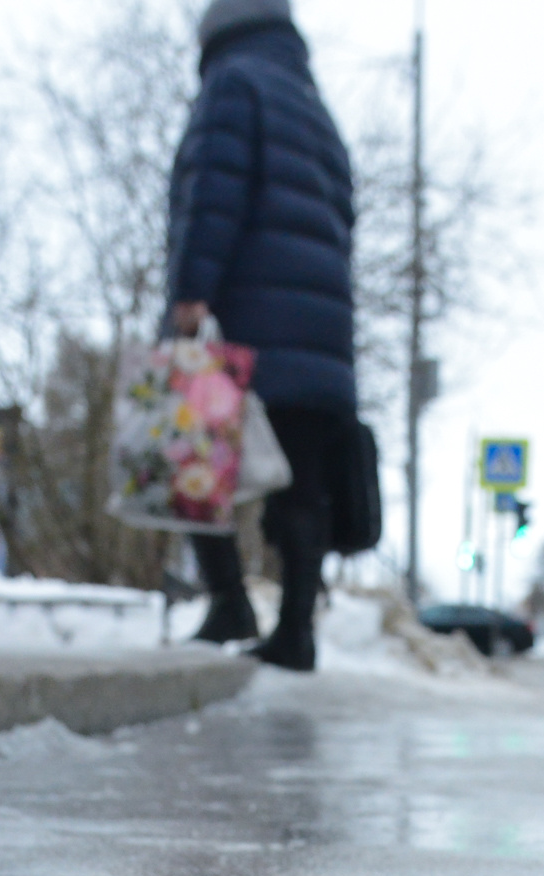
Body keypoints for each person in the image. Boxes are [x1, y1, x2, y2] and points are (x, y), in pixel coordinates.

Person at [166, 0, 356, 672]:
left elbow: (214, 191)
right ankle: (297, 628)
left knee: (191, 454)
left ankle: (228, 601)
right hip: (323, 332)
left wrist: (191, 292)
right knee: (301, 484)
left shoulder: (235, 84)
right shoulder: (316, 109)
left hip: (248, 318)